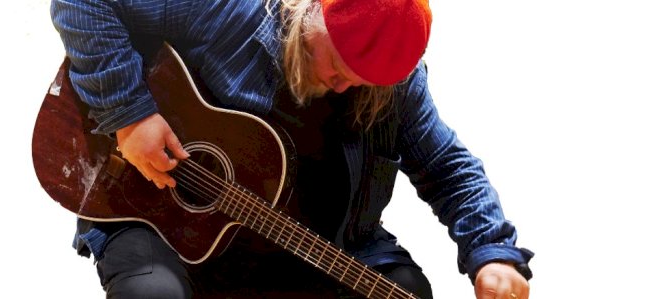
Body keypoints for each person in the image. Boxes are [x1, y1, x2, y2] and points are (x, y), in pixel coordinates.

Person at [50, 0, 534, 298]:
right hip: (157, 214)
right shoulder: (221, 10)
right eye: (335, 65)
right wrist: (130, 114)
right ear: (313, 11)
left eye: (361, 82)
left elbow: (447, 167)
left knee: (406, 291)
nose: (343, 87)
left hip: (303, 246)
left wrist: (493, 255)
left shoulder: (397, 88)